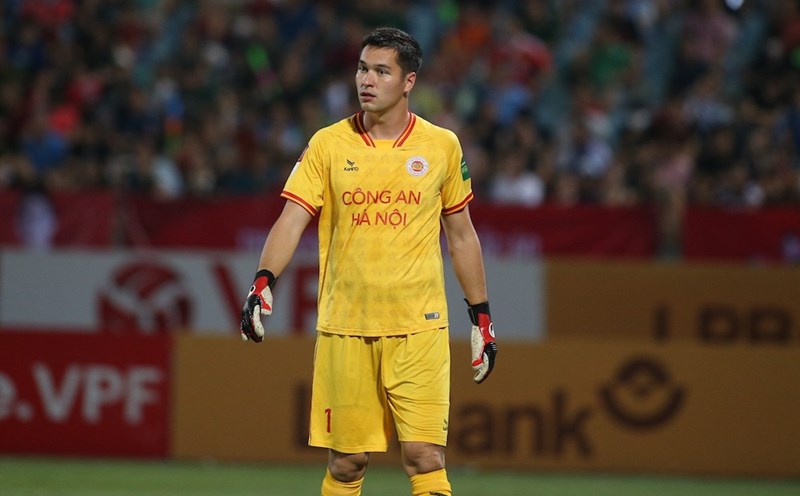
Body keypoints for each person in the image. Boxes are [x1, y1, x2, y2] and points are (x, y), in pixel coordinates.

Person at [239, 27, 497, 496]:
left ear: (409, 81)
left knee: (425, 456)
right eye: (362, 68)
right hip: (346, 324)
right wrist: (262, 281)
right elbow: (291, 219)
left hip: (420, 326)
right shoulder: (328, 144)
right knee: (346, 464)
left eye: (381, 71)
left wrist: (481, 317)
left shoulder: (442, 146)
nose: (367, 80)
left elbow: (461, 236)